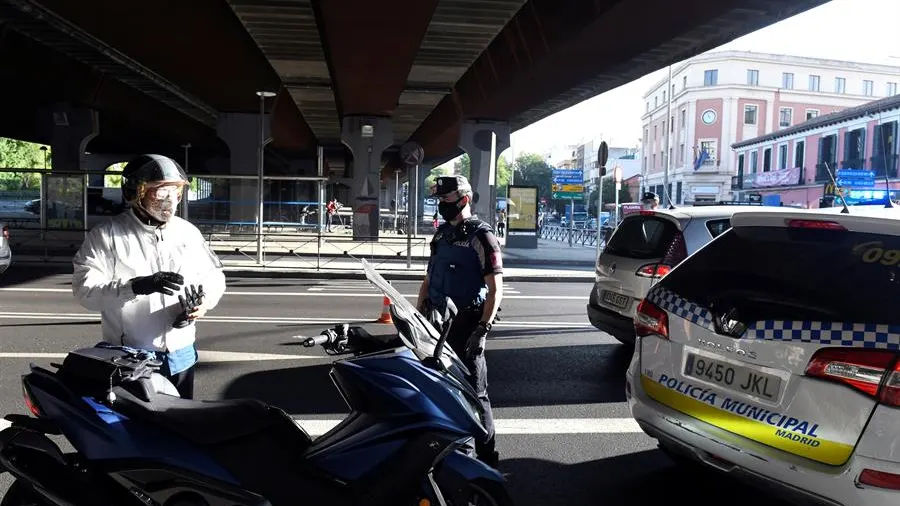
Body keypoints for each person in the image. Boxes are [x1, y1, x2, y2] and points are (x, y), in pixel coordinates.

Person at [71, 154, 226, 399]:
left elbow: (214, 276)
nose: (170, 200)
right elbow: (85, 291)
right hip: (131, 360)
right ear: (136, 192)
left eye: (175, 192)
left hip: (181, 355)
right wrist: (136, 287)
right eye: (159, 192)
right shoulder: (107, 236)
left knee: (183, 426)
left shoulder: (188, 232)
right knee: (137, 431)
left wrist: (202, 304)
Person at [416, 175, 503, 468]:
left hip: (467, 327)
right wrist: (418, 316)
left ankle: (488, 461)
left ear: (463, 200)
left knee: (476, 396)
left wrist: (482, 330)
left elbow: (496, 289)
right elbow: (428, 280)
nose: (441, 206)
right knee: (445, 395)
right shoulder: (441, 236)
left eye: (447, 200)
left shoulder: (482, 236)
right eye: (439, 201)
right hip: (439, 329)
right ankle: (459, 459)